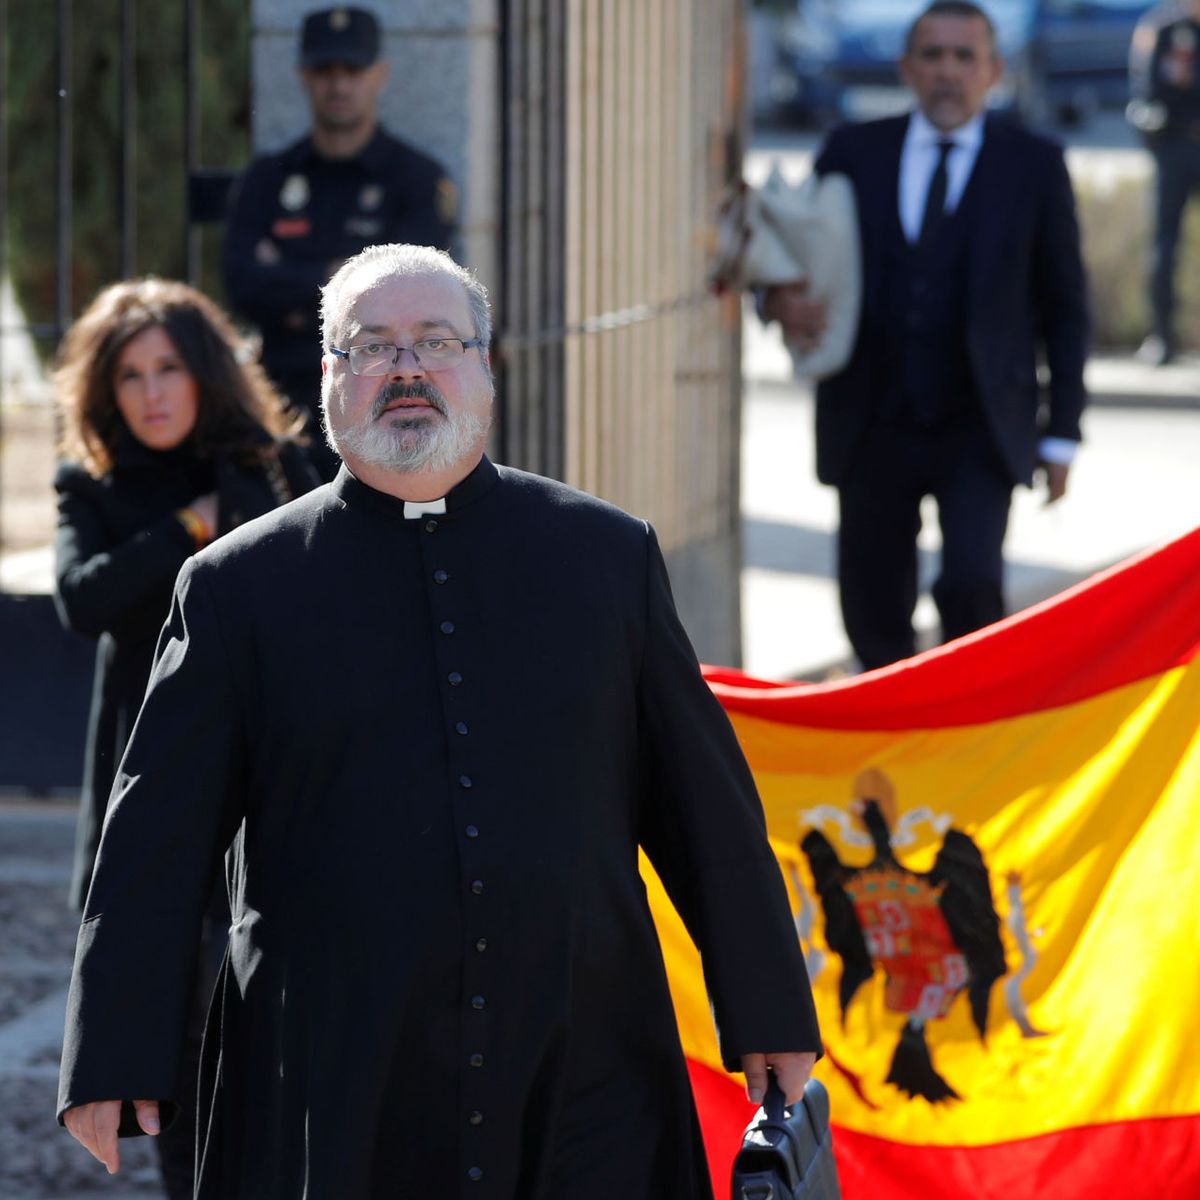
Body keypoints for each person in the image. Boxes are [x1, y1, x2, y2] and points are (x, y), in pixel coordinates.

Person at [57, 244, 822, 1198]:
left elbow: (704, 808)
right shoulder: (235, 587)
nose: (407, 368)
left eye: (436, 341)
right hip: (334, 1066)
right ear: (329, 379)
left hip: (582, 1048)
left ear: (484, 368)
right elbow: (157, 832)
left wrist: (767, 1007)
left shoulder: (606, 557)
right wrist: (114, 1049)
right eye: (372, 346)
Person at [52, 277, 321, 1198]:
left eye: (169, 368)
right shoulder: (92, 486)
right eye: (130, 376)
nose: (152, 392)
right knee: (172, 1057)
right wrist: (187, 525)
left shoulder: (273, 468)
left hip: (274, 781)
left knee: (285, 1036)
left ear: (206, 373)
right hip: (158, 795)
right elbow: (84, 598)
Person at [762, 0, 1089, 674]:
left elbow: (1065, 306)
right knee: (871, 605)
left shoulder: (1034, 164)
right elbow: (795, 256)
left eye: (965, 57)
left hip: (981, 422)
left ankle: (963, 723)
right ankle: (888, 726)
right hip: (871, 418)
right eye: (933, 55)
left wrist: (1062, 433)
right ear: (906, 67)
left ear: (993, 70)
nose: (948, 72)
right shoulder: (853, 152)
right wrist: (777, 299)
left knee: (973, 587)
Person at [222, 5, 457, 478]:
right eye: (325, 70)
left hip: (383, 404)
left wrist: (291, 284)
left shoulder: (415, 180)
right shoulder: (269, 179)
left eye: (352, 69)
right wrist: (342, 276)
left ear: (379, 75)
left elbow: (411, 294)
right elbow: (241, 284)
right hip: (282, 404)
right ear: (304, 77)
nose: (339, 84)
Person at [1128, 0, 1200, 366]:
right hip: (1175, 148)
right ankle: (1161, 337)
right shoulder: (1163, 28)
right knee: (1164, 246)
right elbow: (1146, 92)